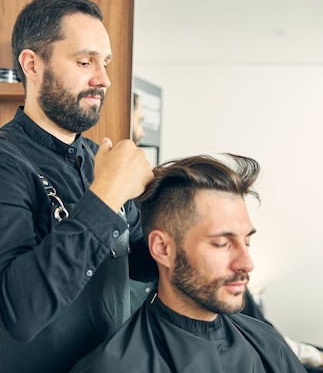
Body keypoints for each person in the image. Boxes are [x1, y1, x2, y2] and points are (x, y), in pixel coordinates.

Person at [0, 0, 157, 373]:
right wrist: (107, 194)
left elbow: (143, 261)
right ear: (32, 64)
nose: (103, 79)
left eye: (105, 62)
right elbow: (18, 310)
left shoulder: (100, 160)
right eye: (84, 61)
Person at [71, 154, 308, 373]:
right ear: (163, 248)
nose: (246, 264)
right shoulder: (112, 367)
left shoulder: (268, 344)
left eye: (246, 242)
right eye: (222, 243)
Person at [241, 289, 323, 372]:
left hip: (273, 342)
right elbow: (264, 343)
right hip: (267, 351)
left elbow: (265, 334)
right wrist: (314, 356)